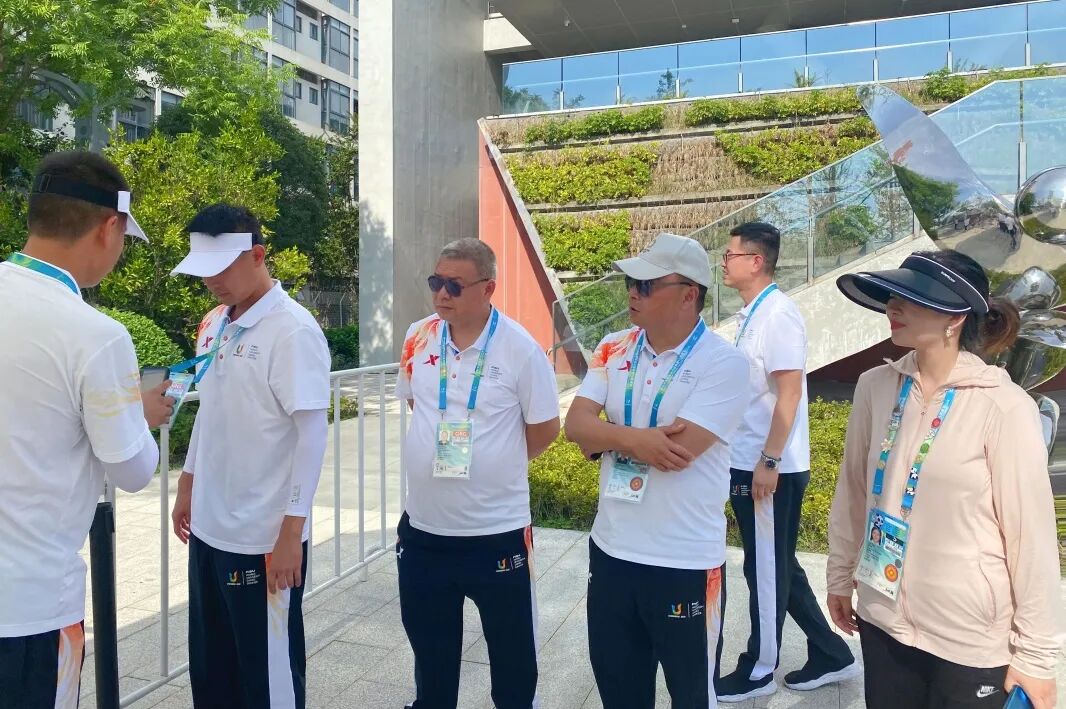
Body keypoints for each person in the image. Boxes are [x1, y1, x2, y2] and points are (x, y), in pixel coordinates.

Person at [829, 249, 1063, 709]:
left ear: (955, 318)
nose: (893, 307)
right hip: (882, 617)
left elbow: (1031, 537)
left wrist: (1036, 658)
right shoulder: (874, 386)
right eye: (892, 296)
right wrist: (840, 575)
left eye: (910, 298)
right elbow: (853, 489)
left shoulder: (1004, 406)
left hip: (968, 637)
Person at [0, 150, 173, 708]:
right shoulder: (95, 335)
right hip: (29, 605)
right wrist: (140, 415)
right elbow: (133, 470)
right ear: (108, 228)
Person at [565, 232, 751, 708]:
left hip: (683, 562)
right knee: (620, 694)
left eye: (646, 285)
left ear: (689, 294)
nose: (632, 292)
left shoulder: (725, 363)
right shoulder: (612, 347)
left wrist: (608, 437)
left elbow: (677, 452)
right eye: (631, 282)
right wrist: (637, 440)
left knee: (691, 696)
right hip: (611, 552)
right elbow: (576, 426)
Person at [169, 204, 331, 709]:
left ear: (258, 255)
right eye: (202, 270)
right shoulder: (214, 322)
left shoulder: (293, 330)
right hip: (210, 529)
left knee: (267, 678)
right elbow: (211, 407)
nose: (210, 281)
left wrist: (290, 534)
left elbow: (312, 435)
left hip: (262, 538)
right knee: (212, 670)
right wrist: (187, 483)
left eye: (220, 268)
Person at [395, 238, 560, 709]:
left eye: (454, 285)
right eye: (436, 282)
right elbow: (418, 403)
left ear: (488, 288)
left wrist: (495, 464)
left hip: (496, 534)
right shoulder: (418, 336)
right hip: (425, 531)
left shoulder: (520, 348)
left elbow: (545, 428)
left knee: (512, 659)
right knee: (431, 657)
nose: (441, 293)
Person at [715, 222, 858, 702]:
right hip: (752, 459)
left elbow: (790, 394)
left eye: (730, 255)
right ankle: (831, 654)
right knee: (776, 564)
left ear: (756, 261)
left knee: (765, 570)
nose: (723, 263)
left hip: (769, 466)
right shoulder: (754, 314)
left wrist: (769, 460)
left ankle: (759, 669)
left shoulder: (778, 315)